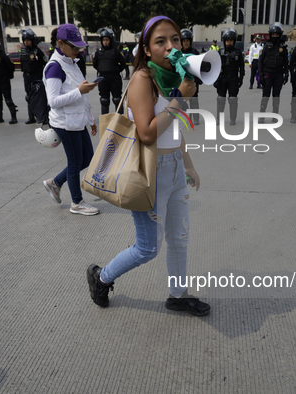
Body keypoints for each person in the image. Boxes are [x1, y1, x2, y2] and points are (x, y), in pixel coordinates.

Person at [86, 15, 210, 316]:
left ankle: (178, 295)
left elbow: (175, 129)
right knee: (147, 248)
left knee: (180, 237)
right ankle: (101, 277)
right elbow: (146, 132)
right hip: (150, 173)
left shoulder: (174, 77)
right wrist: (180, 98)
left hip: (176, 169)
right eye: (161, 41)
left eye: (176, 39)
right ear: (147, 48)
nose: (171, 46)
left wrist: (189, 166)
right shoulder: (143, 80)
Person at [41, 24, 100, 216]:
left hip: (77, 120)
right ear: (60, 43)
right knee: (75, 162)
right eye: (74, 47)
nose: (78, 51)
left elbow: (81, 94)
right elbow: (54, 101)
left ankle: (55, 182)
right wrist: (79, 91)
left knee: (88, 158)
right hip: (65, 124)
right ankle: (77, 203)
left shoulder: (72, 63)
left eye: (79, 47)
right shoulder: (54, 67)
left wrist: (90, 119)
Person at [258, 22, 288, 123]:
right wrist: (261, 75)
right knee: (265, 96)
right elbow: (260, 61)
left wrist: (286, 74)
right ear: (270, 35)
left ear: (280, 35)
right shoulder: (266, 46)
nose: (275, 36)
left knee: (276, 96)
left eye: (277, 35)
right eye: (273, 35)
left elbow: (285, 62)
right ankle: (262, 115)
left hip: (278, 75)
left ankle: (275, 115)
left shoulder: (283, 47)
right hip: (267, 74)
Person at [214, 28, 244, 125]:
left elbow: (242, 67)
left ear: (234, 41)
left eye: (231, 41)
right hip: (222, 79)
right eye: (227, 41)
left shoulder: (238, 52)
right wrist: (216, 78)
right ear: (224, 41)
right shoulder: (220, 52)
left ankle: (232, 119)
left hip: (233, 79)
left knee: (233, 99)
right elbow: (214, 66)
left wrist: (241, 79)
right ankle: (219, 119)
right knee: (221, 99)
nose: (229, 43)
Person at [93, 28, 126, 115]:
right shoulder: (99, 52)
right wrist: (102, 70)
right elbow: (95, 64)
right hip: (103, 79)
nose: (105, 42)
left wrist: (115, 70)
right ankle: (105, 122)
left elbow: (123, 63)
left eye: (107, 40)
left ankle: (119, 121)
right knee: (104, 100)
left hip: (115, 78)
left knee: (117, 100)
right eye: (103, 40)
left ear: (110, 40)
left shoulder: (115, 51)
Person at [19, 28, 48, 124]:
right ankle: (31, 117)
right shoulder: (22, 51)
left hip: (37, 76)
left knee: (40, 97)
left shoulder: (38, 51)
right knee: (29, 97)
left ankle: (43, 117)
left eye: (28, 40)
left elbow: (45, 63)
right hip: (27, 77)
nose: (26, 42)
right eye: (25, 40)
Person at [180, 28, 201, 125]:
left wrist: (200, 78)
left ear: (190, 41)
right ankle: (184, 119)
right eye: (184, 41)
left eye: (187, 41)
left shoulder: (195, 52)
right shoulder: (178, 53)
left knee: (194, 100)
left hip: (193, 80)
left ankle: (196, 119)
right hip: (182, 80)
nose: (186, 43)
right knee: (182, 100)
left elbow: (200, 65)